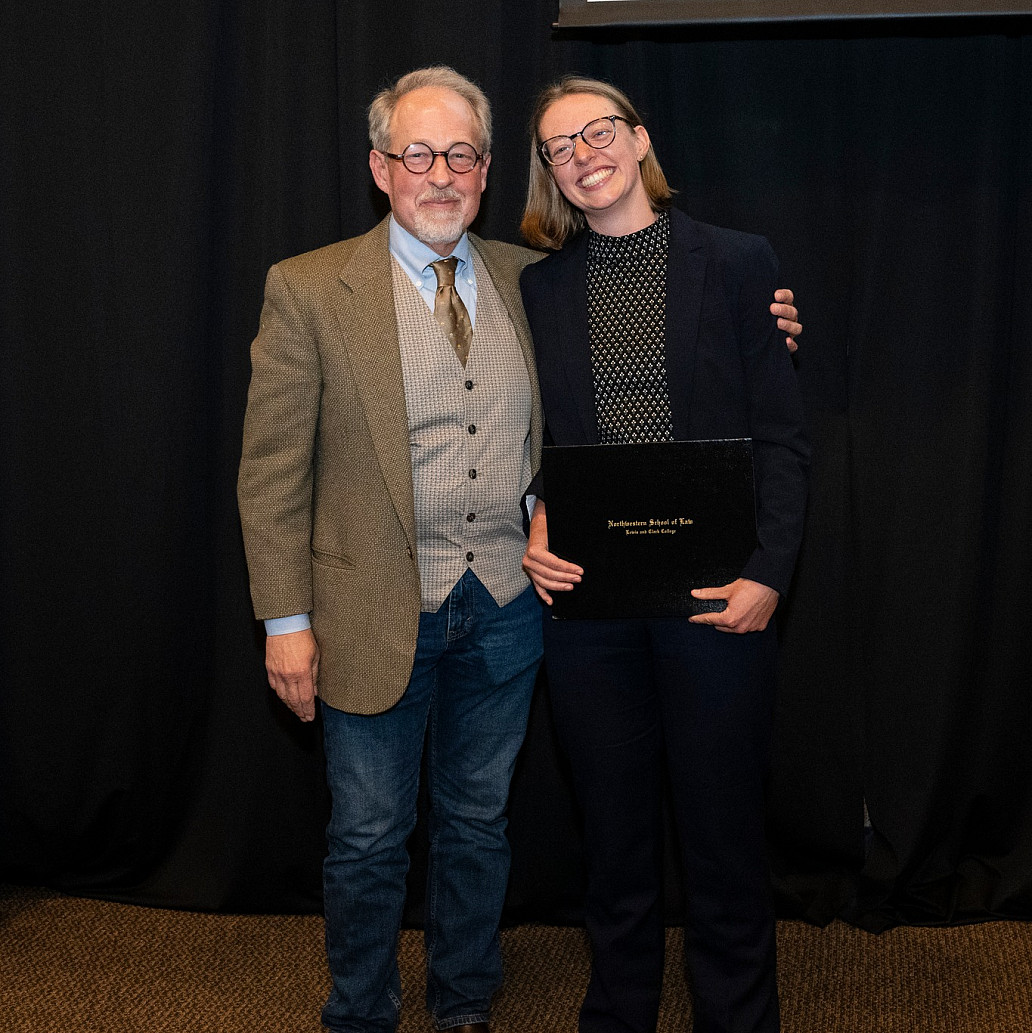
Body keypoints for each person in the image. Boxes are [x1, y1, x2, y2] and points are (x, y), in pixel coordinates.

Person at [238, 66, 802, 1033]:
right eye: (419, 154)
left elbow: (742, 431)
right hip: (467, 610)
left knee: (517, 825)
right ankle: (386, 1014)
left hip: (590, 603)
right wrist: (287, 620)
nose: (441, 173)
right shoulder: (377, 287)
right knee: (395, 837)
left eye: (461, 154)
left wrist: (767, 565)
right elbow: (277, 469)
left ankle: (504, 1007)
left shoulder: (588, 273)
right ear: (382, 168)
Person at [519, 77, 810, 1033]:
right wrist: (535, 515)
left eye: (598, 132)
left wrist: (770, 572)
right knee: (615, 843)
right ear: (549, 172)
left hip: (717, 598)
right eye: (560, 147)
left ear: (639, 140)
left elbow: (782, 438)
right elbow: (532, 437)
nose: (583, 154)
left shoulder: (738, 265)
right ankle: (619, 1013)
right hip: (590, 607)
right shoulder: (540, 286)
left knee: (723, 843)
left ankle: (737, 1019)